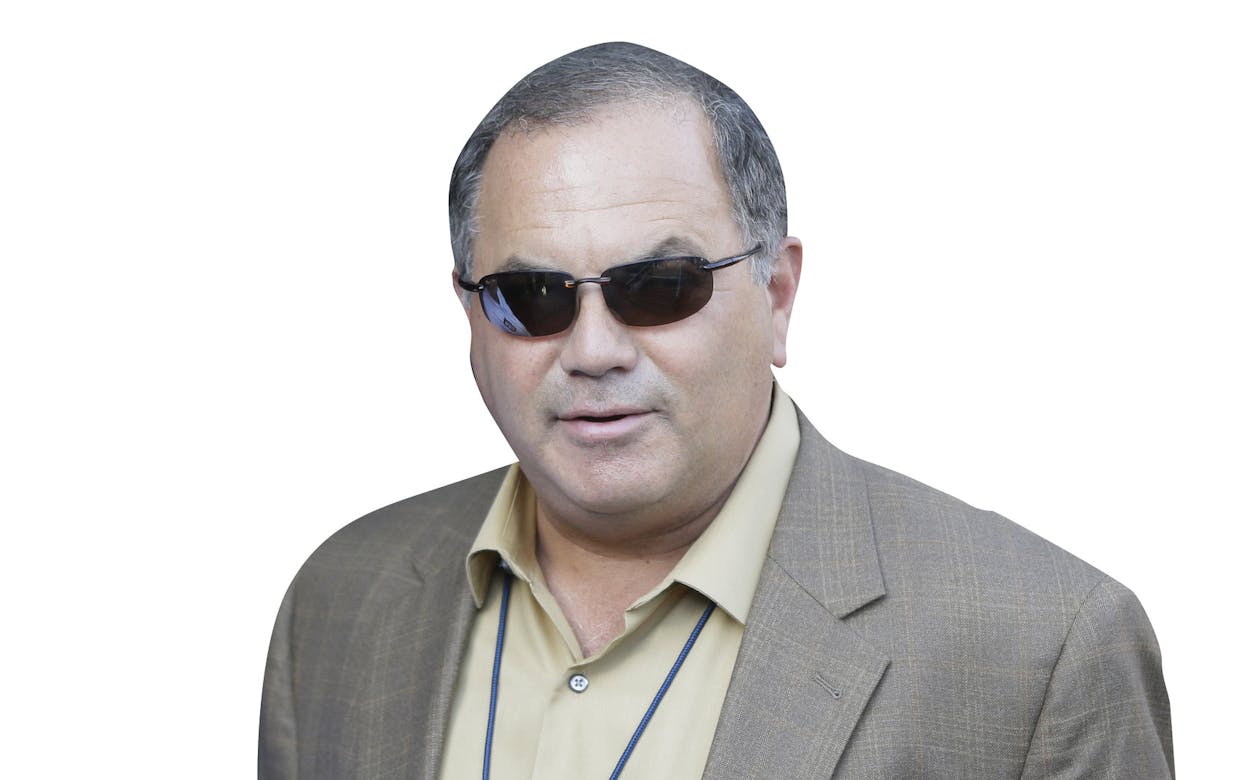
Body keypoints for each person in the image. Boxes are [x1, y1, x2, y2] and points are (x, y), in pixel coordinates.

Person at [259, 41, 1173, 779]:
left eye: (658, 286)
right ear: (469, 315)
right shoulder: (340, 604)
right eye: (532, 296)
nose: (592, 348)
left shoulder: (1041, 649)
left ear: (777, 294)